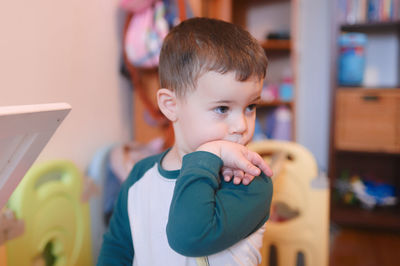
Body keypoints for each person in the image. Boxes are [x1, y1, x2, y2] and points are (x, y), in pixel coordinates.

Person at [98, 17, 273, 265]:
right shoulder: (140, 177)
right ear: (171, 105)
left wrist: (209, 154)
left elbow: (190, 237)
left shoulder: (249, 180)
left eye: (250, 106)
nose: (242, 126)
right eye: (223, 108)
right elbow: (117, 251)